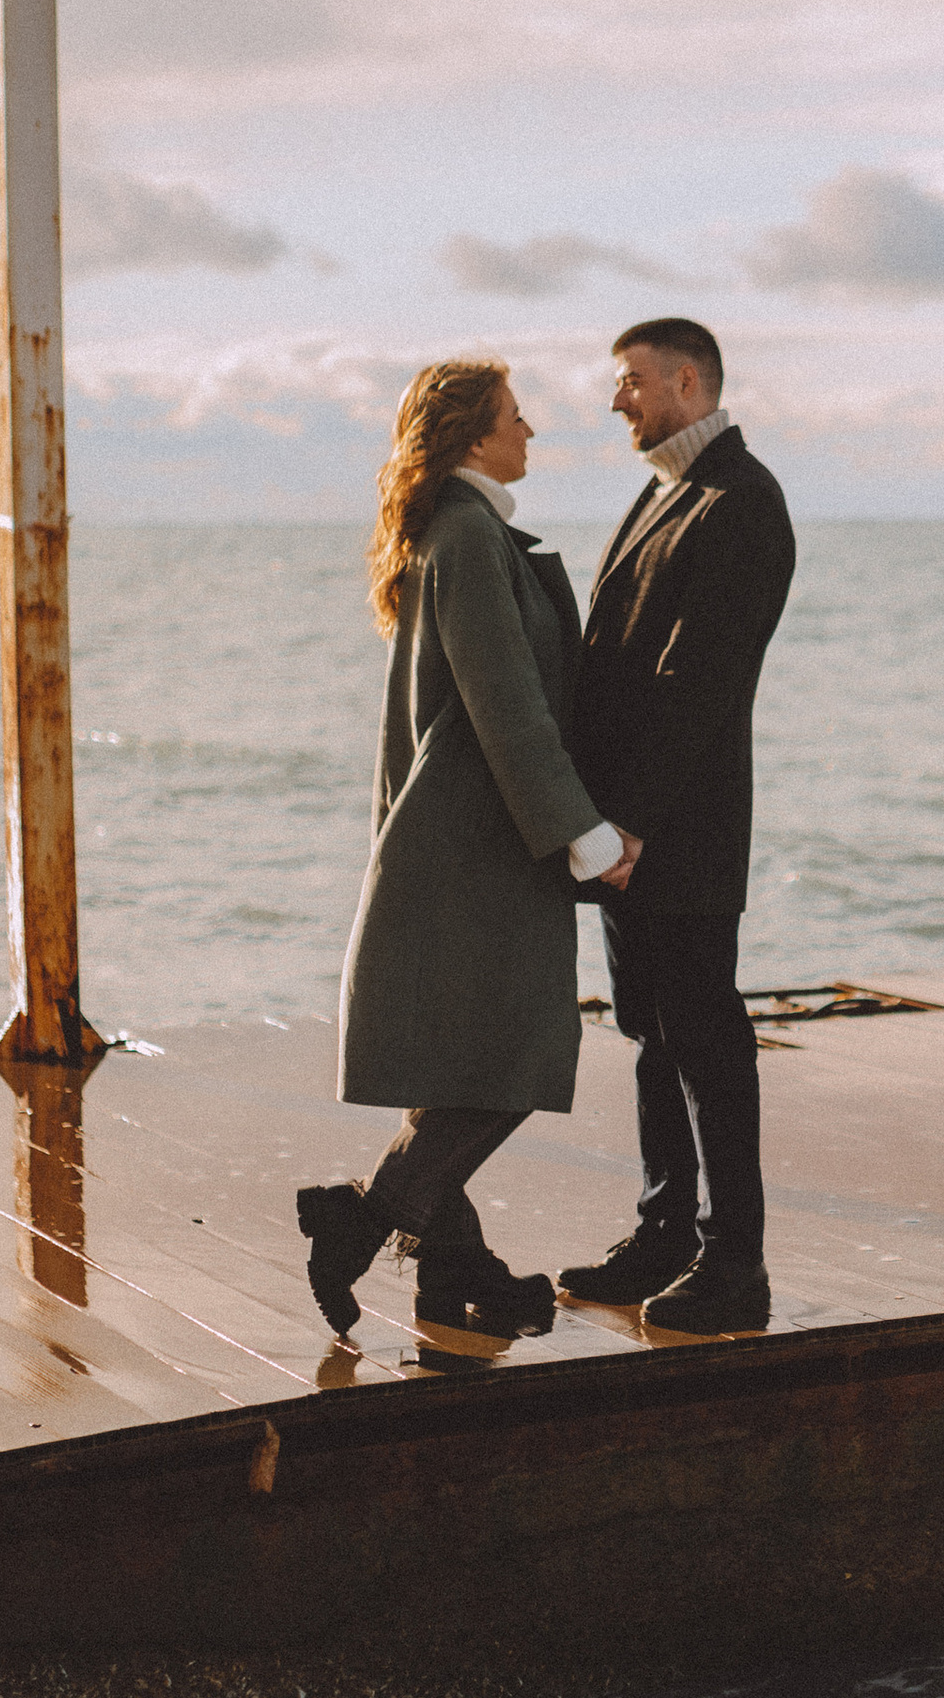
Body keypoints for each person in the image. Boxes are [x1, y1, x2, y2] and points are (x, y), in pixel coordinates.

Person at [297, 357, 633, 1343]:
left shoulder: (457, 532)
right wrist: (588, 834)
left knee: (469, 1067)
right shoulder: (467, 538)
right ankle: (356, 1219)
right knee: (510, 1062)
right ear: (473, 436)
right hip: (477, 857)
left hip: (460, 851)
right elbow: (508, 710)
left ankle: (456, 1279)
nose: (531, 431)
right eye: (515, 417)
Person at [561, 317, 795, 1335]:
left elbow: (698, 682)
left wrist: (636, 821)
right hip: (626, 829)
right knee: (650, 1029)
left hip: (678, 828)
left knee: (704, 1033)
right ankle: (664, 1232)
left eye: (632, 381)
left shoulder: (742, 502)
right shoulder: (668, 490)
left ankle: (733, 1260)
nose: (618, 399)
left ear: (688, 382)